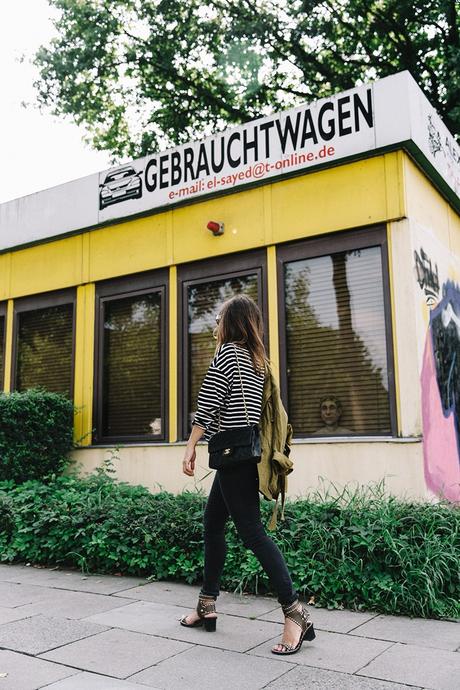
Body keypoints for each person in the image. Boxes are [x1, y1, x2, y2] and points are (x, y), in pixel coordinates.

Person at [180, 294, 315, 655]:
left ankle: (294, 611)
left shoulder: (228, 354)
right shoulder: (258, 360)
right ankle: (206, 603)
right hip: (246, 456)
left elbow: (209, 402)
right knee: (213, 524)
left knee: (253, 533)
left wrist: (191, 444)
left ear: (233, 322)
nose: (217, 323)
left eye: (221, 316)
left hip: (233, 457)